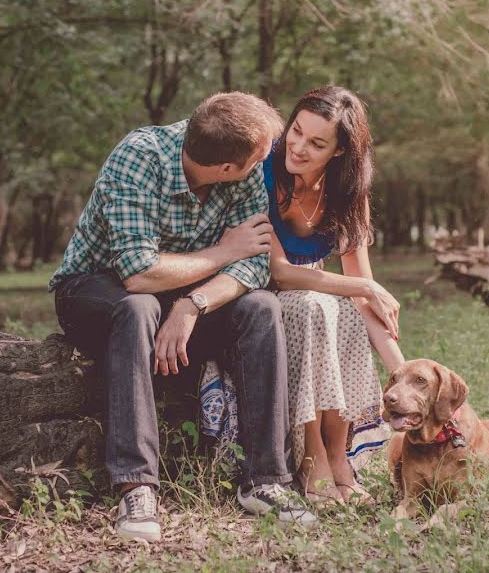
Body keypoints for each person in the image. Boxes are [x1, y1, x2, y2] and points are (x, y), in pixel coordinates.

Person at [50, 92, 316, 542]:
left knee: (261, 306)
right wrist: (223, 252)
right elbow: (136, 273)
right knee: (138, 308)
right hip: (94, 288)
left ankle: (266, 480)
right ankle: (137, 486)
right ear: (228, 168)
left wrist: (192, 305)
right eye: (260, 157)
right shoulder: (139, 157)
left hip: (184, 299)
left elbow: (253, 264)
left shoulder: (245, 173)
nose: (268, 159)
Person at [199, 86, 404, 505]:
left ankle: (337, 454)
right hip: (256, 289)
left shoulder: (348, 194)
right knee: (315, 306)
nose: (298, 147)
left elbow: (364, 298)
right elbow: (280, 272)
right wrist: (363, 287)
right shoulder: (264, 173)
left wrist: (405, 373)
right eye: (295, 131)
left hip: (311, 293)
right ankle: (310, 457)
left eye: (316, 143)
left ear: (340, 152)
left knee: (344, 311)